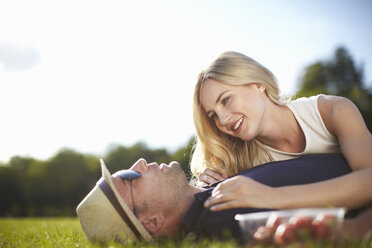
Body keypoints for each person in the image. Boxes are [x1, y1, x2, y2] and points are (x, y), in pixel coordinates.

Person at [191, 51, 372, 212]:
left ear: (258, 84)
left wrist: (271, 196)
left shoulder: (332, 111)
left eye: (225, 100)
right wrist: (205, 187)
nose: (222, 120)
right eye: (213, 115)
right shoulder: (237, 158)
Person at [76, 154, 370, 244]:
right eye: (129, 177)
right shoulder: (223, 220)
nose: (139, 162)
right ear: (152, 221)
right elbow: (345, 229)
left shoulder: (211, 196)